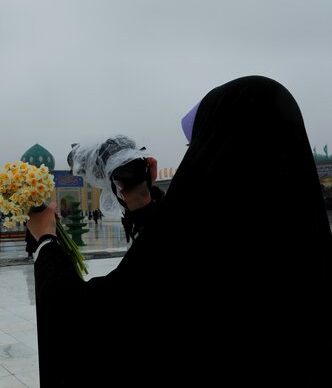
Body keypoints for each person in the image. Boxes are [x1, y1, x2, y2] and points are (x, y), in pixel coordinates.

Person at [27, 76, 332, 386]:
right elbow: (177, 258)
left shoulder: (196, 253)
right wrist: (143, 204)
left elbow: (84, 323)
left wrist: (46, 241)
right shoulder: (305, 249)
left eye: (197, 145)